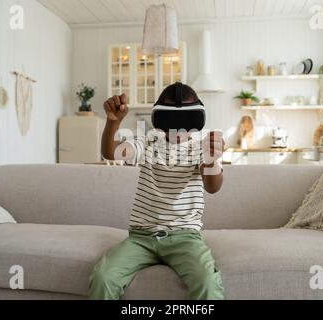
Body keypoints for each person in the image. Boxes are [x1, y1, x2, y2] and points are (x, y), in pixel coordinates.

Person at [89, 83, 225, 300]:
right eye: (171, 120)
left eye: (187, 122)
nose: (179, 129)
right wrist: (113, 122)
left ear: (197, 122)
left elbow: (212, 186)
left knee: (207, 282)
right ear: (159, 120)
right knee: (104, 277)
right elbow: (110, 153)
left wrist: (212, 158)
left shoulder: (200, 148)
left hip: (185, 237)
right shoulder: (148, 142)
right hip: (141, 237)